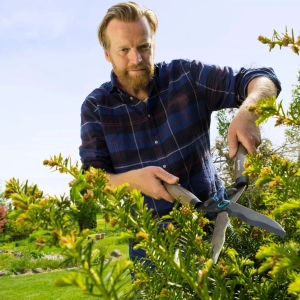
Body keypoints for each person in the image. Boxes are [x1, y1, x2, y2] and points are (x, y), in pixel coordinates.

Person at [79, 2, 281, 263]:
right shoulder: (96, 107)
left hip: (215, 227)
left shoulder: (186, 76)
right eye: (124, 50)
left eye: (144, 46)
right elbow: (90, 182)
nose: (136, 59)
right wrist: (132, 181)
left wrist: (250, 111)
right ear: (107, 54)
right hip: (153, 252)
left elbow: (262, 77)